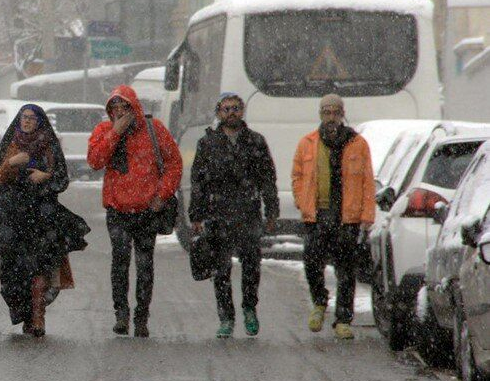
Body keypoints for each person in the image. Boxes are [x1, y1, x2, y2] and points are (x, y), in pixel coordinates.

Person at [87, 85, 182, 338]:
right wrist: (114, 133)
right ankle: (121, 313)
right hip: (118, 209)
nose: (119, 112)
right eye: (114, 107)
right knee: (119, 261)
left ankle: (142, 315)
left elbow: (174, 163)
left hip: (147, 210)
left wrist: (162, 195)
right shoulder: (104, 130)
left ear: (134, 106)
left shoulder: (154, 129)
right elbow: (95, 161)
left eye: (124, 106)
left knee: (144, 264)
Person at [0, 104, 89, 337]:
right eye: (24, 118)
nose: (26, 122)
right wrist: (12, 163)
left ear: (40, 122)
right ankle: (24, 312)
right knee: (15, 269)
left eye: (32, 119)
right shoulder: (10, 143)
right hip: (13, 215)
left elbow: (62, 179)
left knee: (39, 267)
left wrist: (46, 176)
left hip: (42, 215)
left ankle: (37, 317)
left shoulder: (49, 144)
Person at [189, 93, 278, 338]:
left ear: (242, 111)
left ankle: (250, 308)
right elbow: (198, 181)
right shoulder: (207, 144)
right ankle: (226, 317)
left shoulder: (256, 142)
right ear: (218, 113)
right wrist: (196, 215)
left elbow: (268, 180)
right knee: (220, 269)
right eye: (226, 109)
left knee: (251, 265)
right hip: (218, 214)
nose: (231, 113)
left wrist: (271, 211)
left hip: (248, 213)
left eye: (236, 108)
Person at [292, 93, 374, 340]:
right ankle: (319, 301)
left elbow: (367, 181)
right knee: (311, 262)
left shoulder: (357, 143)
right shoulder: (307, 143)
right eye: (326, 113)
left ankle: (343, 319)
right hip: (317, 215)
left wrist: (367, 215)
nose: (331, 117)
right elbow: (297, 176)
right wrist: (301, 200)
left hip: (346, 217)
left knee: (346, 269)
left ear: (342, 114)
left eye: (335, 113)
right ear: (320, 115)